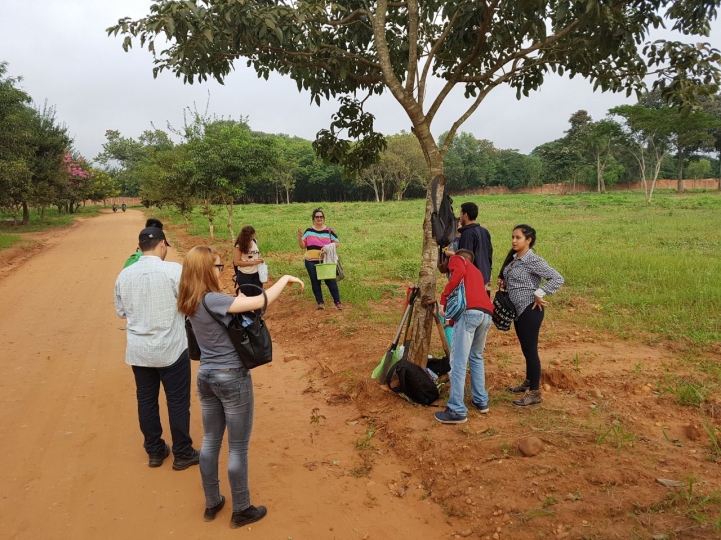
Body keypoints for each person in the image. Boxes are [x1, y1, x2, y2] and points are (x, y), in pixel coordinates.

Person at [177, 246, 304, 528]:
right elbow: (261, 301)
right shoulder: (213, 299)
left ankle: (212, 502)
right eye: (218, 267)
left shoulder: (190, 299)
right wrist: (285, 279)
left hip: (206, 376)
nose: (221, 271)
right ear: (206, 270)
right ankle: (242, 508)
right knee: (237, 447)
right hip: (231, 377)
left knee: (210, 441)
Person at [114, 226, 199, 470]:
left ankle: (154, 450)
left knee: (146, 401)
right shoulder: (174, 271)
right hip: (172, 348)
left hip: (139, 351)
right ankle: (183, 452)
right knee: (178, 402)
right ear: (163, 244)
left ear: (140, 247)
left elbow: (121, 311)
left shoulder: (124, 275)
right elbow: (189, 304)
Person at [498, 224, 564, 407]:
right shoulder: (514, 259)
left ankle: (534, 392)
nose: (513, 240)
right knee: (526, 349)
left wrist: (540, 292)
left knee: (531, 351)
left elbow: (557, 278)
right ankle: (529, 382)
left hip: (530, 309)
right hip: (518, 310)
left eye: (518, 237)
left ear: (529, 240)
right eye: (512, 237)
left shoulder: (532, 260)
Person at [434, 249, 495, 424]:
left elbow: (458, 273)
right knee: (476, 356)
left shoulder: (457, 260)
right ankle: (481, 400)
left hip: (470, 313)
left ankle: (456, 410)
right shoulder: (476, 271)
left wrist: (443, 298)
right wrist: (453, 321)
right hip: (485, 315)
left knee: (458, 362)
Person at [297, 208, 343, 310]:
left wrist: (327, 247)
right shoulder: (308, 231)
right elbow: (303, 246)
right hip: (310, 261)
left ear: (324, 218)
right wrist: (300, 237)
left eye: (321, 217)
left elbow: (337, 243)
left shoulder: (329, 230)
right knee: (315, 282)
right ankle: (320, 302)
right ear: (313, 219)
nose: (319, 218)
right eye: (317, 217)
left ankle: (337, 302)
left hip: (326, 261)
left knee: (331, 281)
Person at [457, 202, 493, 292]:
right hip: (485, 277)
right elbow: (489, 254)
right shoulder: (485, 231)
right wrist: (489, 273)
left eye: (460, 214)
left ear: (465, 215)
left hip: (473, 279)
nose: (460, 217)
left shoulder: (467, 234)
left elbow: (465, 259)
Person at [233, 225, 263, 297]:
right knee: (247, 297)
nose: (252, 238)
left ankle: (258, 308)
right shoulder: (239, 246)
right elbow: (236, 262)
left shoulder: (255, 241)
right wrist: (252, 262)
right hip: (245, 274)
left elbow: (256, 254)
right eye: (250, 236)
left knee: (258, 295)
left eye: (253, 236)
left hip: (256, 273)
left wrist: (260, 259)